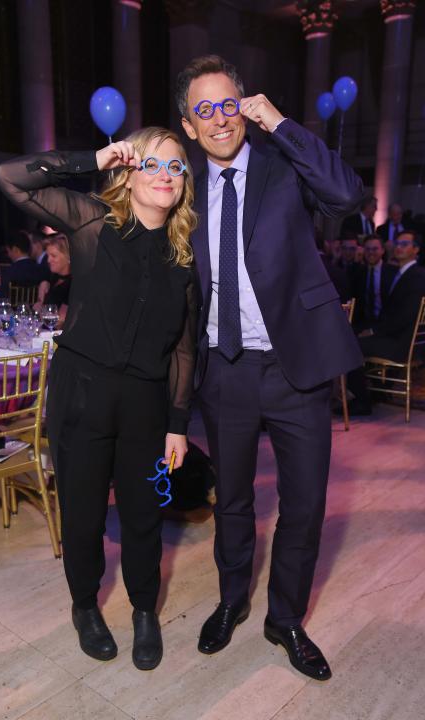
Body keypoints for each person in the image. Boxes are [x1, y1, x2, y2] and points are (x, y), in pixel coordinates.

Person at [176, 55, 363, 681]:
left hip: (295, 366)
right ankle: (232, 600)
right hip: (222, 368)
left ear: (245, 106)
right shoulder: (181, 187)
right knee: (229, 500)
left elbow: (346, 195)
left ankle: (284, 617)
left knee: (304, 504)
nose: (219, 117)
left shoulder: (284, 164)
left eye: (227, 103)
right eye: (204, 109)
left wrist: (281, 123)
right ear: (189, 123)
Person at [0, 126, 197, 671]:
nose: (163, 175)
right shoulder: (91, 221)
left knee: (144, 516)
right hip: (80, 395)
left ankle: (144, 612)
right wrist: (93, 158)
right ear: (129, 173)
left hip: (146, 406)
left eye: (175, 167)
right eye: (150, 163)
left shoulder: (184, 258)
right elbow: (11, 178)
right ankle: (85, 606)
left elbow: (183, 349)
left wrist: (177, 423)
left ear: (184, 182)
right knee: (83, 516)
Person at [347, 231, 425, 415]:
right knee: (354, 335)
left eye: (405, 244)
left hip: (402, 344)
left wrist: (374, 331)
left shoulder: (416, 277)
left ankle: (362, 401)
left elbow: (404, 317)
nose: (399, 247)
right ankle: (375, 394)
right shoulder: (407, 273)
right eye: (397, 243)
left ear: (416, 250)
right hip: (401, 338)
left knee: (349, 345)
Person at [352, 234, 398, 332]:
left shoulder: (393, 273)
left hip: (386, 327)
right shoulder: (358, 272)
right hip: (361, 326)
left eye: (375, 249)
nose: (371, 252)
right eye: (367, 249)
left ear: (382, 250)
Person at [35, 233, 71, 328]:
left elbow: (59, 322)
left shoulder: (73, 285)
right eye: (48, 256)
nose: (48, 260)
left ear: (69, 258)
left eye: (53, 256)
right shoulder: (53, 277)